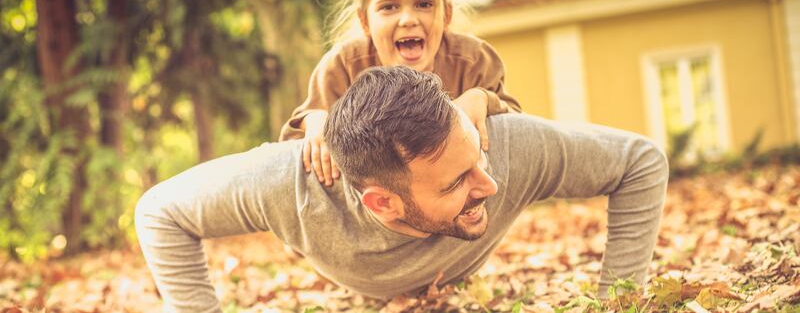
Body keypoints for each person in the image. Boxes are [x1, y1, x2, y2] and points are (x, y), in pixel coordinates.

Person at [136, 66, 669, 312]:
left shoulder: (504, 145)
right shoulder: (287, 182)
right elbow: (159, 211)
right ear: (381, 202)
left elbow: (641, 161)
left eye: (477, 159)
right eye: (458, 181)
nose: (490, 182)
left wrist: (617, 301)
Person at [278, 0, 521, 186]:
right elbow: (292, 140)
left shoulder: (474, 61)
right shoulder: (343, 67)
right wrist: (316, 122)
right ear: (365, 21)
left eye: (424, 4)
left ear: (446, 15)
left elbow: (520, 133)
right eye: (389, 7)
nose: (408, 19)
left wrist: (482, 98)